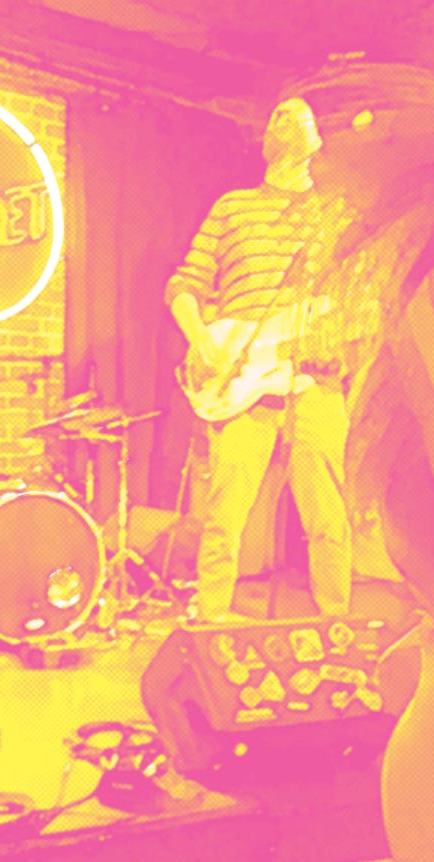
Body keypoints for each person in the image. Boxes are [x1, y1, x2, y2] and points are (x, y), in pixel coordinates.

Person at [166, 95, 378, 622]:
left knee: (328, 516)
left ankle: (335, 626)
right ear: (268, 138)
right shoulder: (233, 208)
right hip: (242, 383)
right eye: (280, 113)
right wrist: (200, 336)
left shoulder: (337, 212)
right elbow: (185, 283)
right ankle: (210, 619)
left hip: (315, 380)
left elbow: (359, 297)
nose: (291, 114)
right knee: (224, 515)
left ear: (316, 140)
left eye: (302, 115)